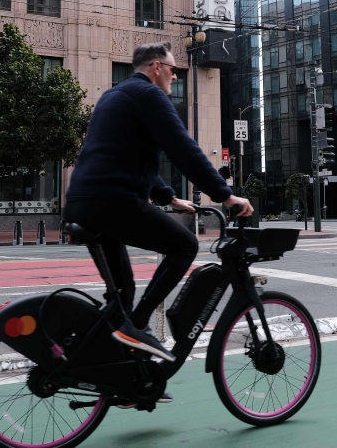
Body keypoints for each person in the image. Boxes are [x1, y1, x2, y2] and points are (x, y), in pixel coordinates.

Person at [64, 42, 253, 364]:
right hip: (113, 201)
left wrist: (169, 198)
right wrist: (225, 194)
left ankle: (118, 371)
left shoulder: (113, 95)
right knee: (184, 245)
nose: (175, 76)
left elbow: (125, 158)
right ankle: (137, 328)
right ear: (155, 67)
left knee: (122, 294)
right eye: (172, 69)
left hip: (84, 202)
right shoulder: (149, 95)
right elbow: (184, 150)